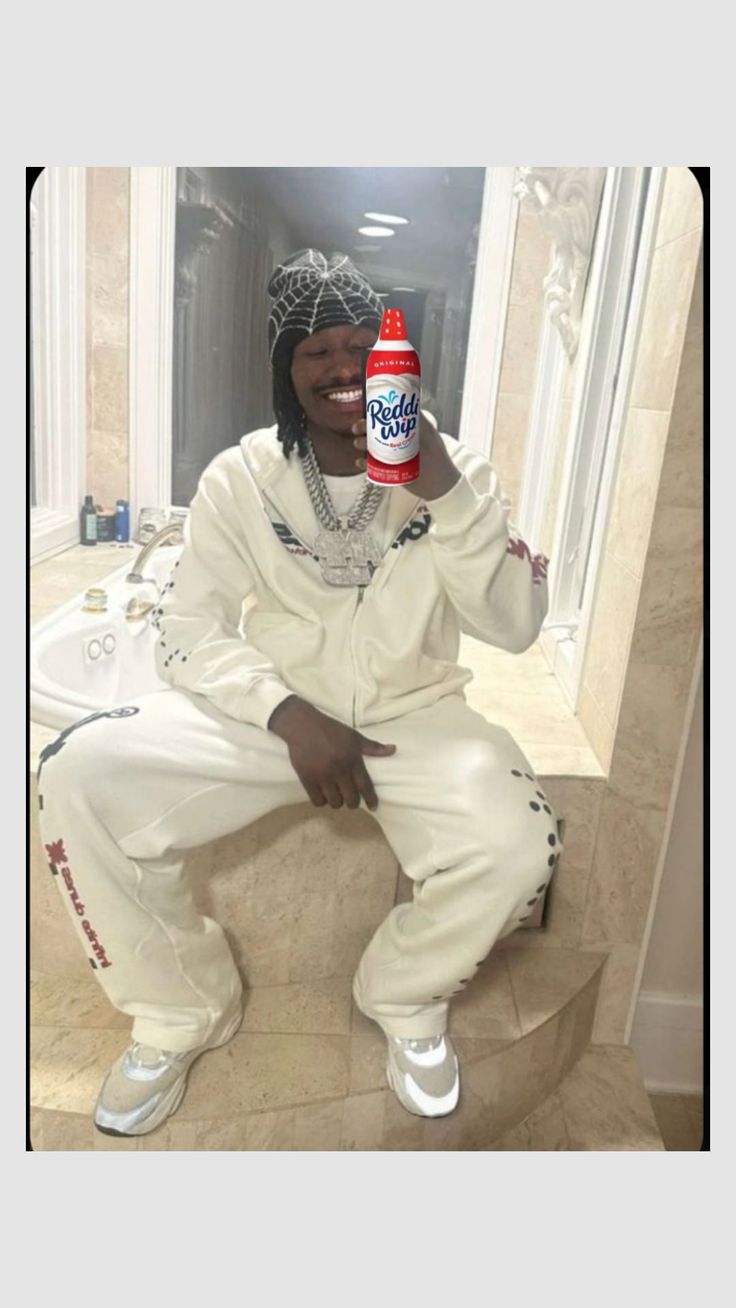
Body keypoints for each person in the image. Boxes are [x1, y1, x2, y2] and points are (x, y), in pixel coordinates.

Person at [37, 249, 562, 1139]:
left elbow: (515, 626)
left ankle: (403, 996)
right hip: (272, 720)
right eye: (316, 349)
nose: (343, 366)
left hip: (416, 718)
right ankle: (180, 1011)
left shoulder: (460, 472)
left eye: (363, 344)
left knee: (522, 843)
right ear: (287, 372)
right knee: (76, 771)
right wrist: (287, 713)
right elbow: (186, 631)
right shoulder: (240, 477)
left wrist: (443, 487)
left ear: (401, 362)